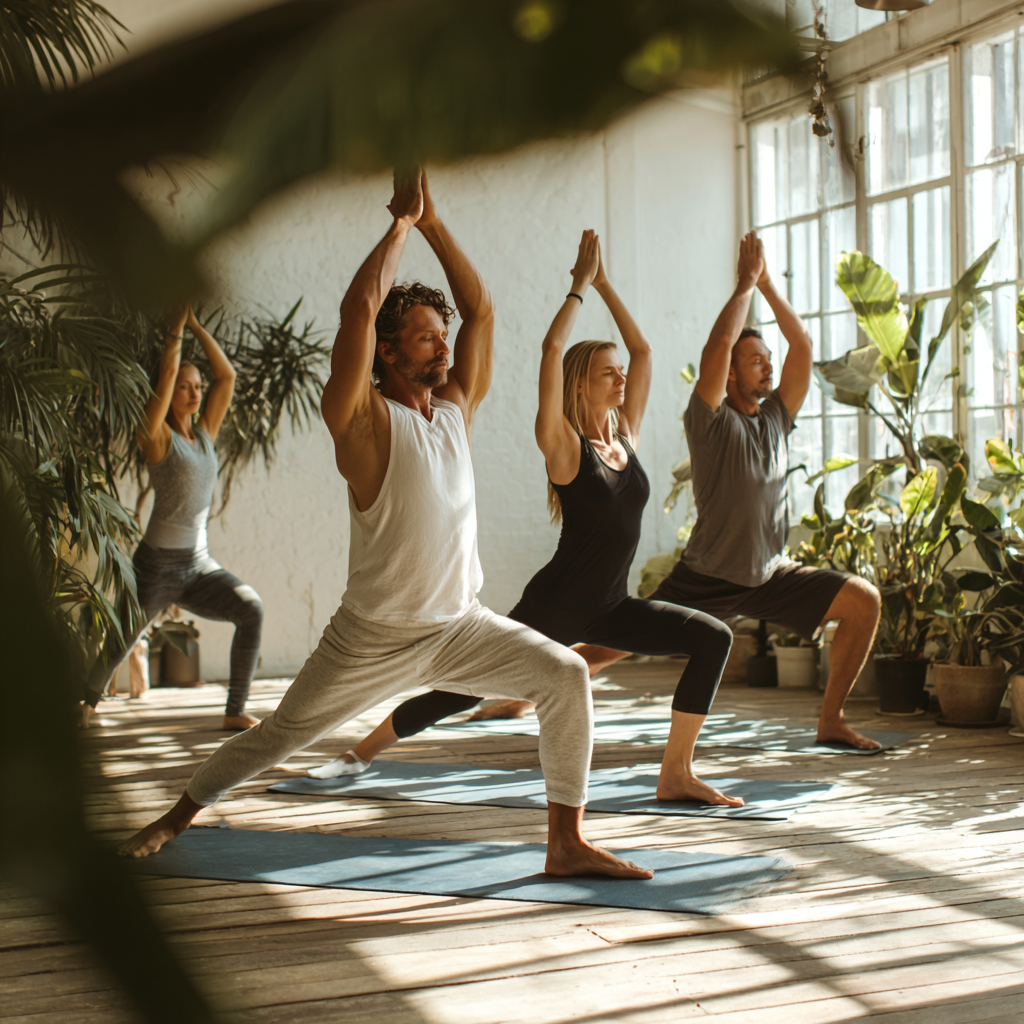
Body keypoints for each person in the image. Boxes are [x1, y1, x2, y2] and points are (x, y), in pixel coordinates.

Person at [117, 170, 651, 879]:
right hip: (372, 636)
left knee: (564, 677)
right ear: (390, 353)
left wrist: (434, 221)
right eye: (425, 339)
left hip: (461, 624)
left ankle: (565, 843)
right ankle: (176, 814)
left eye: (442, 336)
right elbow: (357, 314)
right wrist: (401, 225)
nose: (443, 346)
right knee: (281, 735)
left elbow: (482, 310)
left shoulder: (457, 409)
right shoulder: (363, 421)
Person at [308, 229, 741, 806]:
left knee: (713, 638)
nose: (620, 379)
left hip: (611, 604)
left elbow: (644, 354)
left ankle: (676, 772)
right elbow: (549, 352)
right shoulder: (561, 442)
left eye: (619, 374)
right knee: (455, 694)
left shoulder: (626, 437)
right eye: (606, 372)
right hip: (559, 603)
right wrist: (578, 290)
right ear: (582, 383)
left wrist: (607, 283)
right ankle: (360, 751)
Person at [579, 231, 882, 750]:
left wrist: (765, 284)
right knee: (617, 644)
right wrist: (743, 284)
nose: (766, 364)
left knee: (863, 601)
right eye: (755, 359)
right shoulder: (710, 421)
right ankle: (541, 683)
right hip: (707, 577)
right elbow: (717, 346)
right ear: (731, 375)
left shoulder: (776, 419)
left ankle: (831, 720)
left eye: (767, 357)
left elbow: (803, 347)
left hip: (769, 574)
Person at [82, 307, 264, 731]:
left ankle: (235, 710)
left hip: (199, 565)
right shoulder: (156, 435)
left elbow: (228, 379)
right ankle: (85, 704)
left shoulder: (204, 434)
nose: (195, 393)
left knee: (250, 609)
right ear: (170, 393)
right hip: (158, 565)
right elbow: (164, 376)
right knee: (121, 639)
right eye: (185, 387)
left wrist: (198, 327)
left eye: (197, 386)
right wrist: (176, 332)